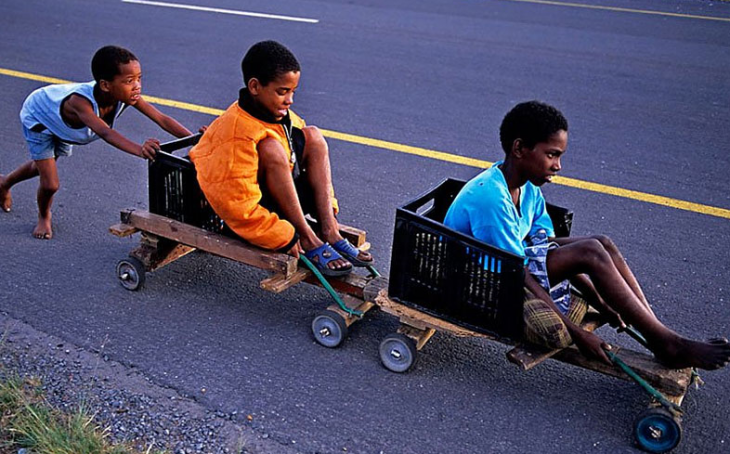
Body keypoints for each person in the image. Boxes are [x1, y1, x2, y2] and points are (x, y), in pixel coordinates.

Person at [444, 100, 730, 370]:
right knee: (590, 252)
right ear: (519, 148)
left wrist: (601, 301)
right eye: (551, 154)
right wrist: (577, 332)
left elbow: (544, 247)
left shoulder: (527, 187)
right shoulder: (491, 198)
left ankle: (661, 335)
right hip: (482, 274)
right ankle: (668, 344)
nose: (558, 166)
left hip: (513, 258)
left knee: (601, 244)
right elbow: (516, 271)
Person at [188, 40, 373, 277]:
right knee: (271, 148)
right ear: (255, 87)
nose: (290, 100)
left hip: (281, 195)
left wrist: (326, 208)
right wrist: (284, 236)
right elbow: (237, 207)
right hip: (253, 211)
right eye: (282, 92)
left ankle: (330, 231)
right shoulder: (235, 134)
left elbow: (299, 154)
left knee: (314, 136)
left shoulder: (276, 113)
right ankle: (308, 238)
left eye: (292, 91)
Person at [0, 45, 195, 240]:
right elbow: (105, 132)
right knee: (50, 183)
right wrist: (140, 150)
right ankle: (44, 216)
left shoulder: (126, 95)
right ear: (105, 85)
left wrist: (196, 139)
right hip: (40, 118)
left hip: (63, 127)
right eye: (129, 81)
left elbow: (161, 119)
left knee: (40, 167)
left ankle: (4, 183)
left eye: (139, 78)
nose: (137, 86)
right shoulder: (80, 102)